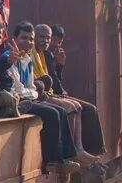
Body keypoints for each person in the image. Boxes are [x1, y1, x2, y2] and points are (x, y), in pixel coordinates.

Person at [7, 22, 83, 173]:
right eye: (24, 38)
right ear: (14, 39)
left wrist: (33, 93)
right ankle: (53, 160)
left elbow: (30, 87)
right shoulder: (9, 58)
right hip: (16, 99)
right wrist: (33, 94)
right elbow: (18, 88)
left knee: (60, 111)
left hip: (27, 97)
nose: (28, 42)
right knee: (53, 113)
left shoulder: (27, 59)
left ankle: (66, 157)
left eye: (30, 39)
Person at [32, 24, 106, 164]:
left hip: (49, 92)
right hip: (40, 94)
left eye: (48, 38)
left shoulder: (45, 54)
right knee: (72, 108)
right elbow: (50, 80)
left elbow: (54, 78)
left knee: (84, 108)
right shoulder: (36, 53)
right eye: (42, 37)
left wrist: (59, 66)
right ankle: (72, 151)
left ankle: (87, 151)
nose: (46, 41)